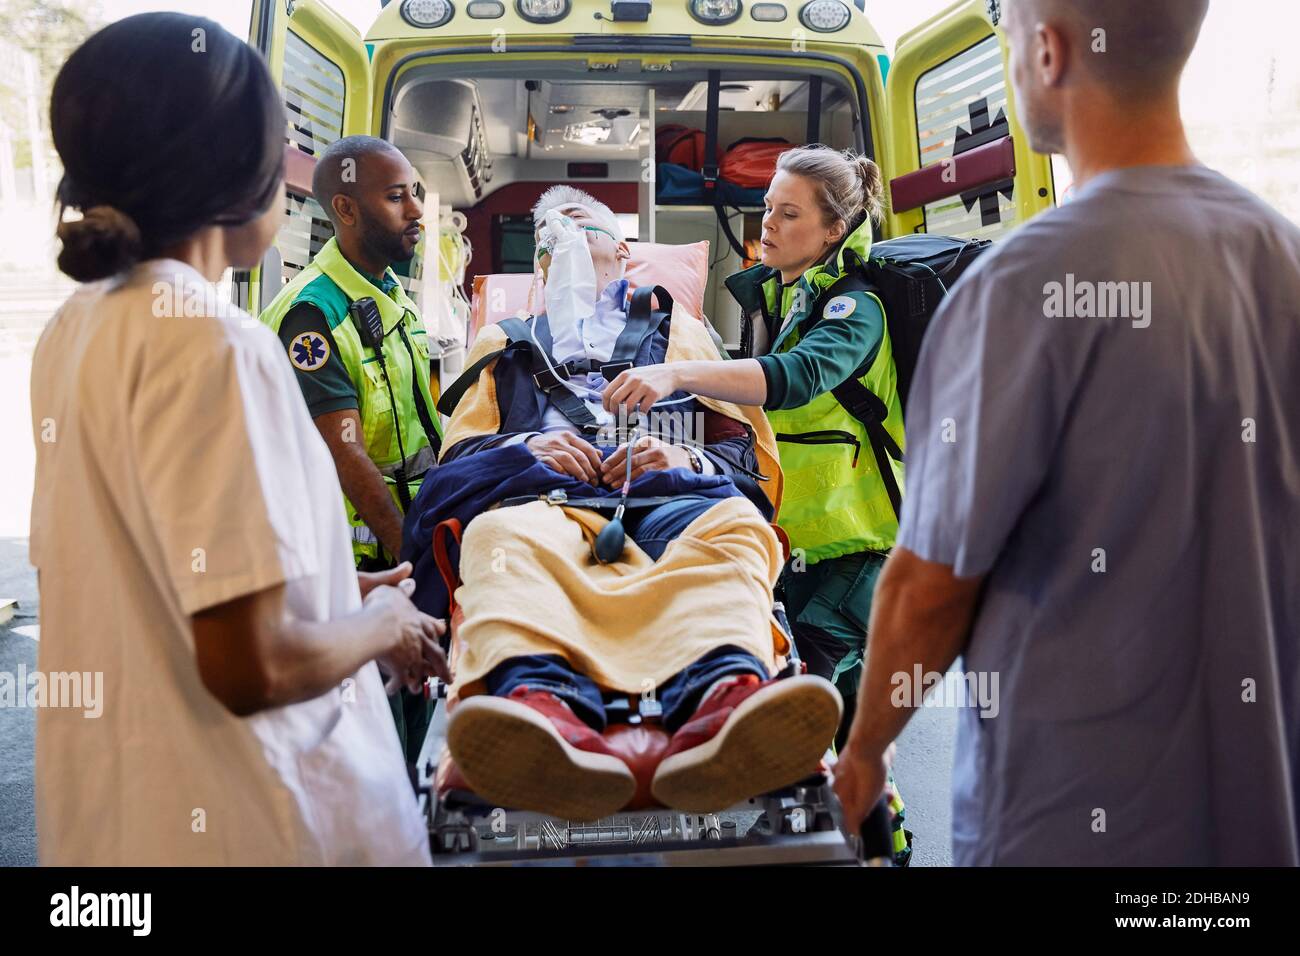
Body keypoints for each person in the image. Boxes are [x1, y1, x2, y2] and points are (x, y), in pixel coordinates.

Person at [832, 0, 1300, 865]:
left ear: (1048, 53)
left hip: (1065, 822)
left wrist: (864, 754)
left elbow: (931, 586)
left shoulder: (1018, 287)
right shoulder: (1282, 256)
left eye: (1009, 37)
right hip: (1261, 819)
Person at [30, 13, 447, 865]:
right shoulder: (216, 346)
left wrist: (330, 579)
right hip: (251, 825)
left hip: (119, 828)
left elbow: (145, 569)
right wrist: (379, 624)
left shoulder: (75, 329)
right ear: (243, 172)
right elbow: (250, 666)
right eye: (283, 149)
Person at [403, 186, 842, 820]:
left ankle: (726, 698)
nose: (569, 237)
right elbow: (452, 474)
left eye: (583, 225)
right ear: (540, 263)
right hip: (543, 504)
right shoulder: (502, 344)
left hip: (670, 500)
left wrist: (687, 458)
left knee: (738, 527)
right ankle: (539, 711)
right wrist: (527, 449)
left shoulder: (681, 333)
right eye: (553, 231)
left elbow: (746, 461)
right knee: (495, 541)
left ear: (624, 250)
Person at [603, 147, 900, 737]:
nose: (767, 223)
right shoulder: (781, 297)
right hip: (791, 543)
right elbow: (746, 425)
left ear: (834, 229)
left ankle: (871, 826)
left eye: (789, 214)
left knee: (809, 717)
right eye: (768, 207)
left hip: (862, 554)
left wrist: (676, 374)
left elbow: (791, 379)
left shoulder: (854, 308)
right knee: (810, 717)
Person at [259, 135, 444, 763]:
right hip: (358, 574)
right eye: (396, 197)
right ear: (345, 209)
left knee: (412, 744)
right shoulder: (312, 316)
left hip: (404, 559)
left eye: (415, 192)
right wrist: (420, 558)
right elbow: (346, 457)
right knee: (372, 754)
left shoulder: (388, 295)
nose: (416, 210)